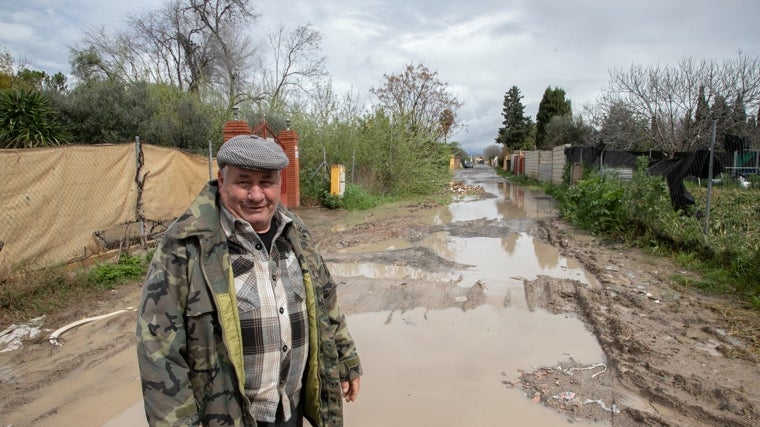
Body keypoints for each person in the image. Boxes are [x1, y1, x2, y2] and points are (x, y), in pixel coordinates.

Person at [136, 134, 362, 427]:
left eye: (266, 182)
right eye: (244, 182)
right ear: (221, 179)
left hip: (288, 410)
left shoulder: (296, 234)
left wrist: (347, 359)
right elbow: (158, 352)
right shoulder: (185, 247)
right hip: (226, 417)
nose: (256, 195)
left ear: (279, 184)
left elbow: (326, 300)